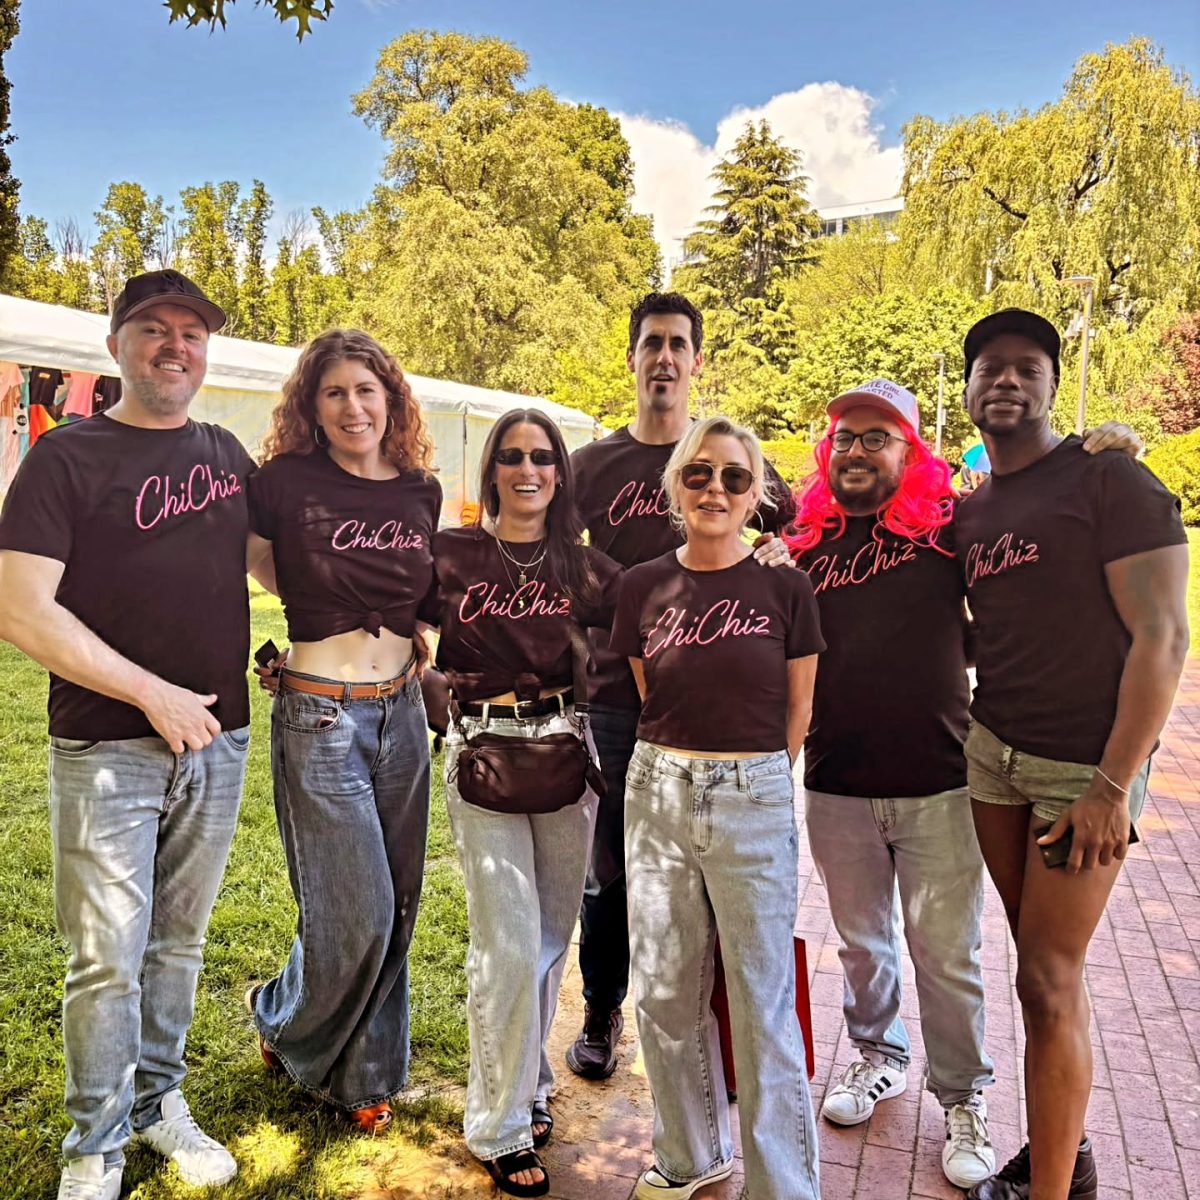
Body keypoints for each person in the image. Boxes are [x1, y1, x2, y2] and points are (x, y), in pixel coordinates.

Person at [0, 270, 257, 1200]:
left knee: (178, 945)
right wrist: (152, 694)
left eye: (191, 332)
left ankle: (158, 1106)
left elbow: (287, 558)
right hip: (108, 748)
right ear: (115, 346)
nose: (175, 345)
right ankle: (95, 1140)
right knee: (106, 954)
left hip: (217, 744)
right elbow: (21, 609)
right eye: (154, 328)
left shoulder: (228, 454)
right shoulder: (66, 458)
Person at [955, 310, 1189, 1200]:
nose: (1006, 380)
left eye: (1027, 367)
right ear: (970, 389)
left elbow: (1164, 638)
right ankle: (1067, 1154)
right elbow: (993, 631)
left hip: (1078, 774)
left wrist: (1111, 788)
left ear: (1053, 385)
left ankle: (1055, 1191)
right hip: (994, 758)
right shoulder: (975, 510)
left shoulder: (1110, 482)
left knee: (1048, 982)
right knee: (1042, 970)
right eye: (990, 367)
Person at [568, 292, 795, 1081]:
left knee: (708, 867)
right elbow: (550, 561)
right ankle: (602, 1006)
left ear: (696, 361)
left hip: (711, 704)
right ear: (631, 357)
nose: (663, 357)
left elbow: (800, 519)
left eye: (678, 345)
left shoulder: (723, 458)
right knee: (613, 865)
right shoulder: (590, 466)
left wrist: (778, 550)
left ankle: (711, 1030)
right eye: (651, 343)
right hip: (613, 696)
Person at [787, 379, 997, 1189]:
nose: (857, 450)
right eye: (845, 436)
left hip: (941, 782)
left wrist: (1101, 454)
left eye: (879, 437)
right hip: (837, 781)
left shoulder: (954, 532)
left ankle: (965, 1097)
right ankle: (879, 1056)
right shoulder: (804, 539)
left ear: (912, 452)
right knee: (863, 943)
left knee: (947, 954)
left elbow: (1032, 547)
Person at [611, 415, 824, 1200]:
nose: (715, 489)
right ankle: (690, 1161)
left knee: (761, 1000)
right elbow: (649, 688)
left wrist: (756, 781)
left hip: (753, 798)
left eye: (735, 477)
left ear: (756, 492)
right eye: (699, 473)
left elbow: (798, 708)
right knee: (665, 992)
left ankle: (784, 1186)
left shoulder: (784, 585)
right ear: (675, 485)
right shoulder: (641, 585)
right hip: (659, 790)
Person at [243, 330, 441, 1133]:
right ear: (312, 407)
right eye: (335, 393)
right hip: (321, 712)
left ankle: (364, 1075)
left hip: (405, 706)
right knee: (352, 907)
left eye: (367, 389)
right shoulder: (284, 482)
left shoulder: (419, 490)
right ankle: (281, 1015)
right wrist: (305, 634)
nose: (353, 406)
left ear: (390, 398)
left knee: (397, 902)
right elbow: (257, 561)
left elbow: (428, 594)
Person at [421, 408, 620, 1197]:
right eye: (512, 456)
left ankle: (528, 1085)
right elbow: (392, 625)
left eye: (542, 457)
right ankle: (497, 1125)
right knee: (505, 942)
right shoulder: (452, 554)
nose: (528, 469)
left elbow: (660, 619)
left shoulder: (588, 570)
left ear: (561, 472)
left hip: (569, 756)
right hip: (484, 757)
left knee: (546, 936)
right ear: (492, 468)